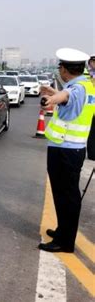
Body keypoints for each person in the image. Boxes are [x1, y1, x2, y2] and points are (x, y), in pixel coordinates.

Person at [39, 48, 95, 253]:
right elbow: (67, 97)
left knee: (66, 196)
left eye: (60, 66)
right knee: (65, 195)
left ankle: (65, 242)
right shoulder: (86, 86)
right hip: (72, 149)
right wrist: (54, 94)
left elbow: (67, 96)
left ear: (64, 69)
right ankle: (64, 231)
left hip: (65, 151)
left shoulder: (75, 89)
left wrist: (51, 100)